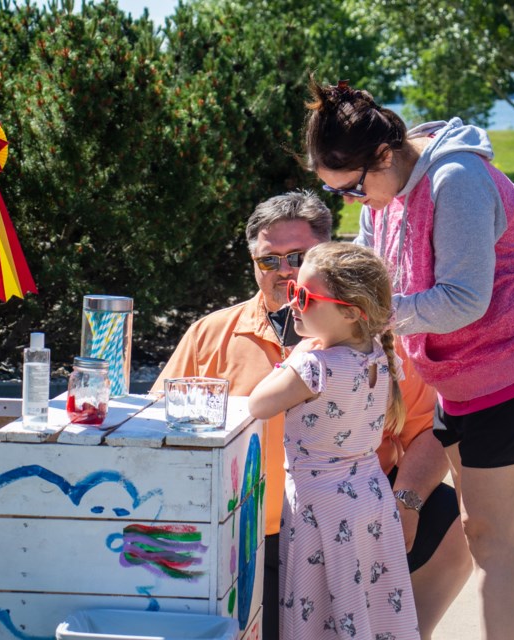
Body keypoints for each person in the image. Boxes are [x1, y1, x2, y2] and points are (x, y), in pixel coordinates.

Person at [303, 78, 514, 639]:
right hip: (461, 379)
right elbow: (371, 273)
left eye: (352, 188)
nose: (352, 203)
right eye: (339, 194)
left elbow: (463, 299)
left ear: (383, 155)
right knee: (477, 526)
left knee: (492, 536)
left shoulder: (456, 181)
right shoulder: (383, 191)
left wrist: (365, 318)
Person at [152, 190, 471, 639]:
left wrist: (407, 502)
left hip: (346, 516)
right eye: (269, 260)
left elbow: (432, 431)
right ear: (252, 262)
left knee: (449, 513)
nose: (284, 271)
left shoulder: (377, 340)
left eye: (297, 257)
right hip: (243, 529)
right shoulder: (210, 334)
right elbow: (157, 422)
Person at [248, 241, 419, 639]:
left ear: (349, 313)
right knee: (367, 603)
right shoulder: (379, 354)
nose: (294, 304)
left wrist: (296, 354)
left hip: (321, 508)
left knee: (320, 611)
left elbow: (258, 404)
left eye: (305, 296)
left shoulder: (314, 365)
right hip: (370, 498)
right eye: (293, 292)